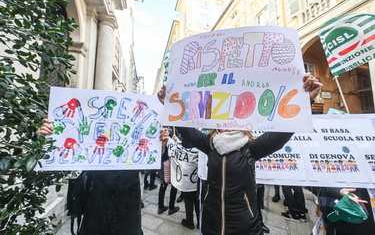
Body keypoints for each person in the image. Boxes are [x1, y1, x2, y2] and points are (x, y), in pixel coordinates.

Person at [157, 73, 322, 234]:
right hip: (210, 225)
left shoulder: (251, 149)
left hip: (245, 227)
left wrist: (305, 100)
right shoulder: (210, 145)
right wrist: (169, 104)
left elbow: (282, 133)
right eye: (223, 119)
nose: (228, 124)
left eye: (233, 118)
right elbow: (185, 129)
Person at [37, 119, 143, 235]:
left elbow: (152, 163)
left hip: (129, 208)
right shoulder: (93, 125)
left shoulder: (135, 126)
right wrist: (46, 140)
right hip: (95, 207)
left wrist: (160, 146)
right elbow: (60, 157)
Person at [157, 127, 180, 215]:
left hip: (162, 163)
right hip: (170, 163)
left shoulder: (167, 138)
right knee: (173, 185)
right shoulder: (166, 139)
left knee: (163, 185)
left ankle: (161, 206)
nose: (167, 130)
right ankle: (171, 207)